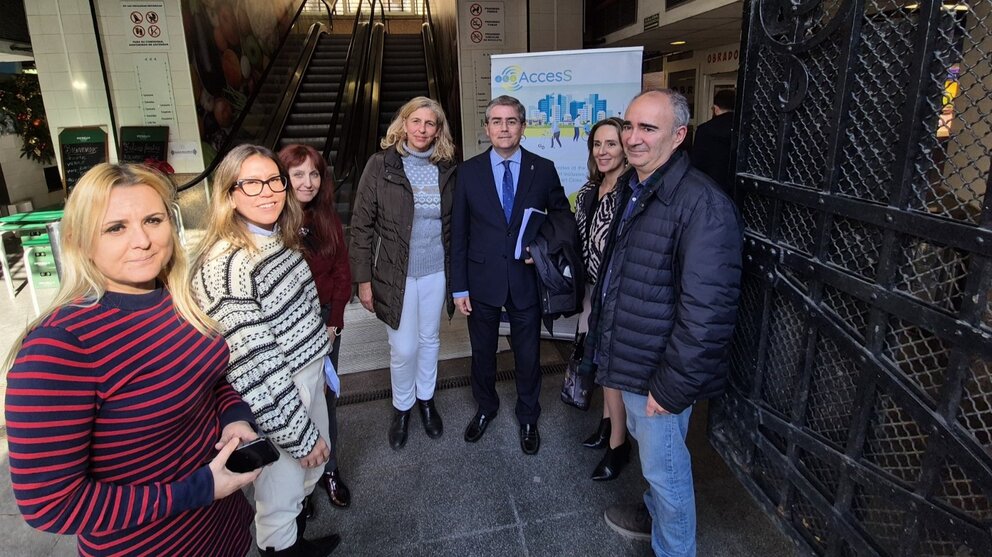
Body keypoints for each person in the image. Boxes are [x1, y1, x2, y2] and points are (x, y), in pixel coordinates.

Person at [4, 163, 260, 557]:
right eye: (115, 227)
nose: (142, 240)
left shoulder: (176, 300)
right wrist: (200, 489)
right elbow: (50, 506)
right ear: (80, 241)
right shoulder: (59, 348)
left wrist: (234, 417)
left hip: (225, 532)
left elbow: (209, 380)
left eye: (152, 220)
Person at [588, 90, 742, 555]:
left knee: (667, 472)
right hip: (635, 358)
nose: (632, 138)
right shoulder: (639, 188)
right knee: (657, 466)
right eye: (629, 126)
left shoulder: (701, 205)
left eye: (647, 129)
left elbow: (707, 313)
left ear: (679, 136)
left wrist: (671, 388)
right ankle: (652, 513)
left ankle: (674, 548)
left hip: (659, 374)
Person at [192, 144, 340, 557]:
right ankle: (282, 549)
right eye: (252, 183)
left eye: (273, 180)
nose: (268, 191)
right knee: (279, 497)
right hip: (281, 392)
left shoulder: (278, 237)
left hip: (306, 377)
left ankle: (296, 541)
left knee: (299, 486)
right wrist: (298, 434)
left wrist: (322, 365)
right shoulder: (227, 266)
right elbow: (255, 367)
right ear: (229, 193)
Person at [452, 94, 570, 455]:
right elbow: (459, 232)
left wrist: (543, 250)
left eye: (512, 121)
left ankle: (528, 416)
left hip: (525, 281)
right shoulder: (468, 172)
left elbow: (562, 217)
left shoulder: (543, 168)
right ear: (487, 128)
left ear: (523, 126)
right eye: (497, 122)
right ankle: (485, 408)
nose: (504, 128)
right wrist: (459, 287)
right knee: (482, 354)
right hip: (482, 281)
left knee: (528, 355)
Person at [350, 96, 457, 450]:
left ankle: (426, 400)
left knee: (430, 341)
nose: (422, 129)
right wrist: (363, 280)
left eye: (430, 124)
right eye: (417, 122)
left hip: (435, 272)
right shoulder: (381, 165)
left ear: (438, 130)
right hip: (394, 273)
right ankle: (402, 407)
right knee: (403, 346)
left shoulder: (447, 169)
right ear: (404, 124)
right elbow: (361, 226)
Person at [278, 144, 352, 509]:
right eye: (298, 174)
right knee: (292, 404)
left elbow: (342, 273)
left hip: (324, 323)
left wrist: (334, 325)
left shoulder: (327, 217)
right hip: (286, 328)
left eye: (314, 174)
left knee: (326, 398)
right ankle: (298, 483)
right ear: (283, 178)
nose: (307, 182)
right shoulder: (272, 221)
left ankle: (330, 470)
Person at [574, 116, 630, 481]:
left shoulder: (633, 191)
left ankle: (619, 445)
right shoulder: (588, 191)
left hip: (621, 293)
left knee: (613, 369)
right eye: (598, 144)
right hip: (593, 289)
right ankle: (607, 424)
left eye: (611, 143)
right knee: (597, 359)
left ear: (625, 148)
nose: (604, 151)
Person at [690, 88, 736, 194]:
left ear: (715, 108)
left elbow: (697, 162)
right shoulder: (744, 129)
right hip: (737, 190)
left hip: (710, 187)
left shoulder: (705, 129)